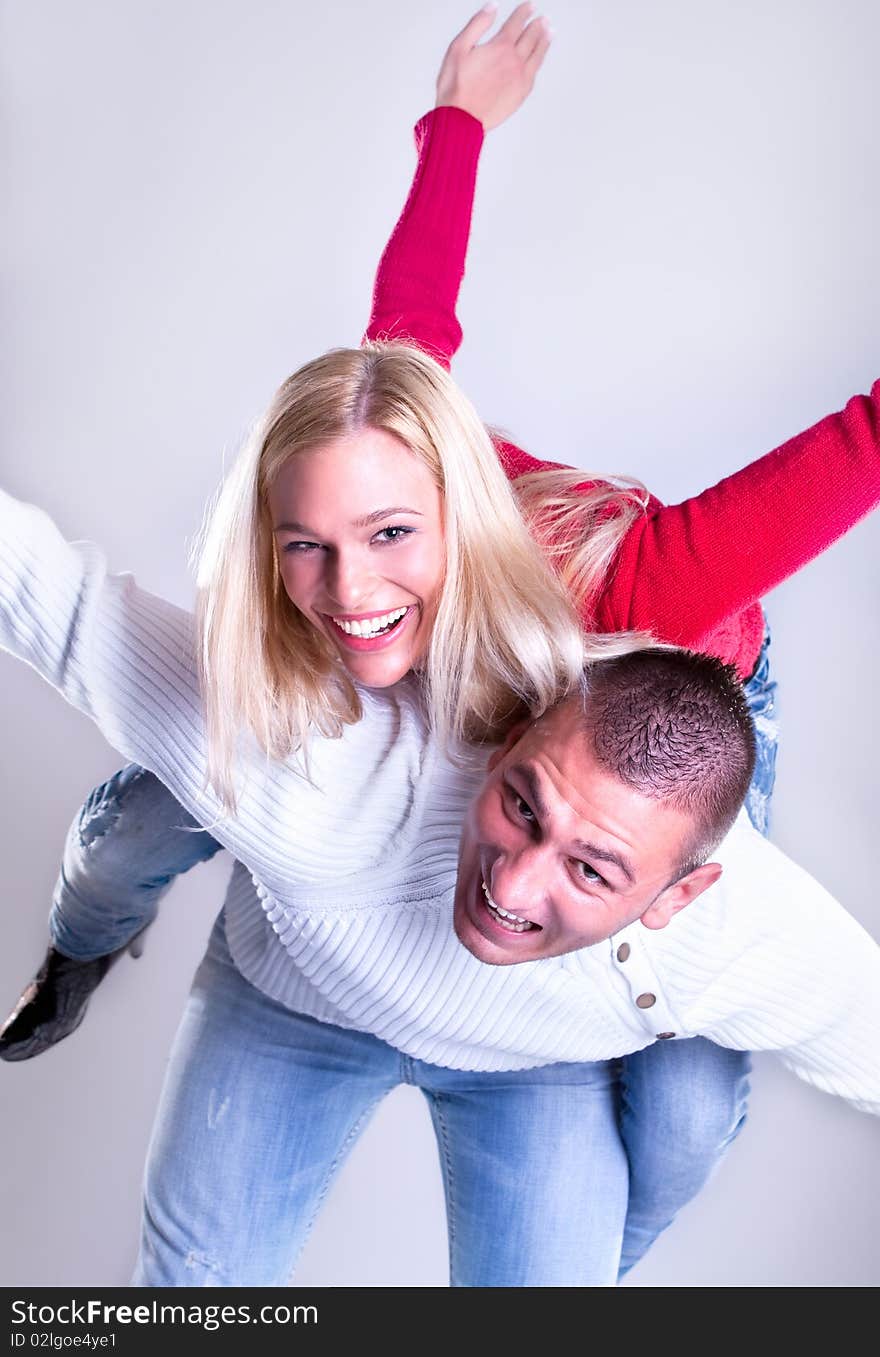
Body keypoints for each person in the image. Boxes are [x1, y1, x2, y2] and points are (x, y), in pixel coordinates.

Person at [1, 5, 879, 1285]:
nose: (345, 589)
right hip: (452, 699)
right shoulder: (383, 451)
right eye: (310, 544)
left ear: (443, 525)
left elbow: (854, 447)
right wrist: (458, 117)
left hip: (661, 689)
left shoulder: (641, 592)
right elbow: (409, 312)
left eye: (388, 543)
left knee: (684, 1111)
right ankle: (81, 948)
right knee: (154, 815)